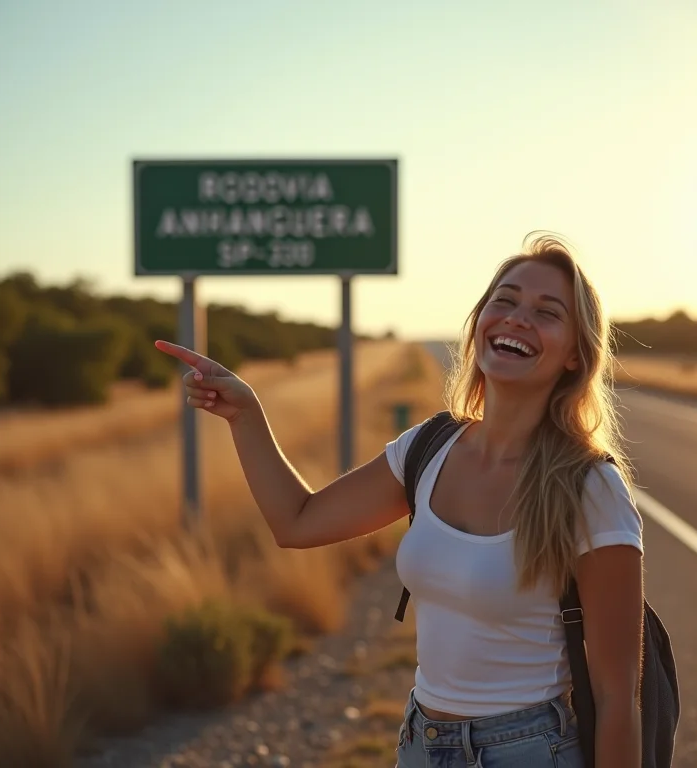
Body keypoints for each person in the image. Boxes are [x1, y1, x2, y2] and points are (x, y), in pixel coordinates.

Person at [155, 232, 644, 768]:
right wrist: (246, 416)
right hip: (421, 743)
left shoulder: (590, 487)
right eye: (503, 301)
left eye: (547, 312)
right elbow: (297, 523)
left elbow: (618, 693)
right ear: (479, 323)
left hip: (529, 750)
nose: (517, 318)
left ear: (576, 355)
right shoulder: (427, 448)